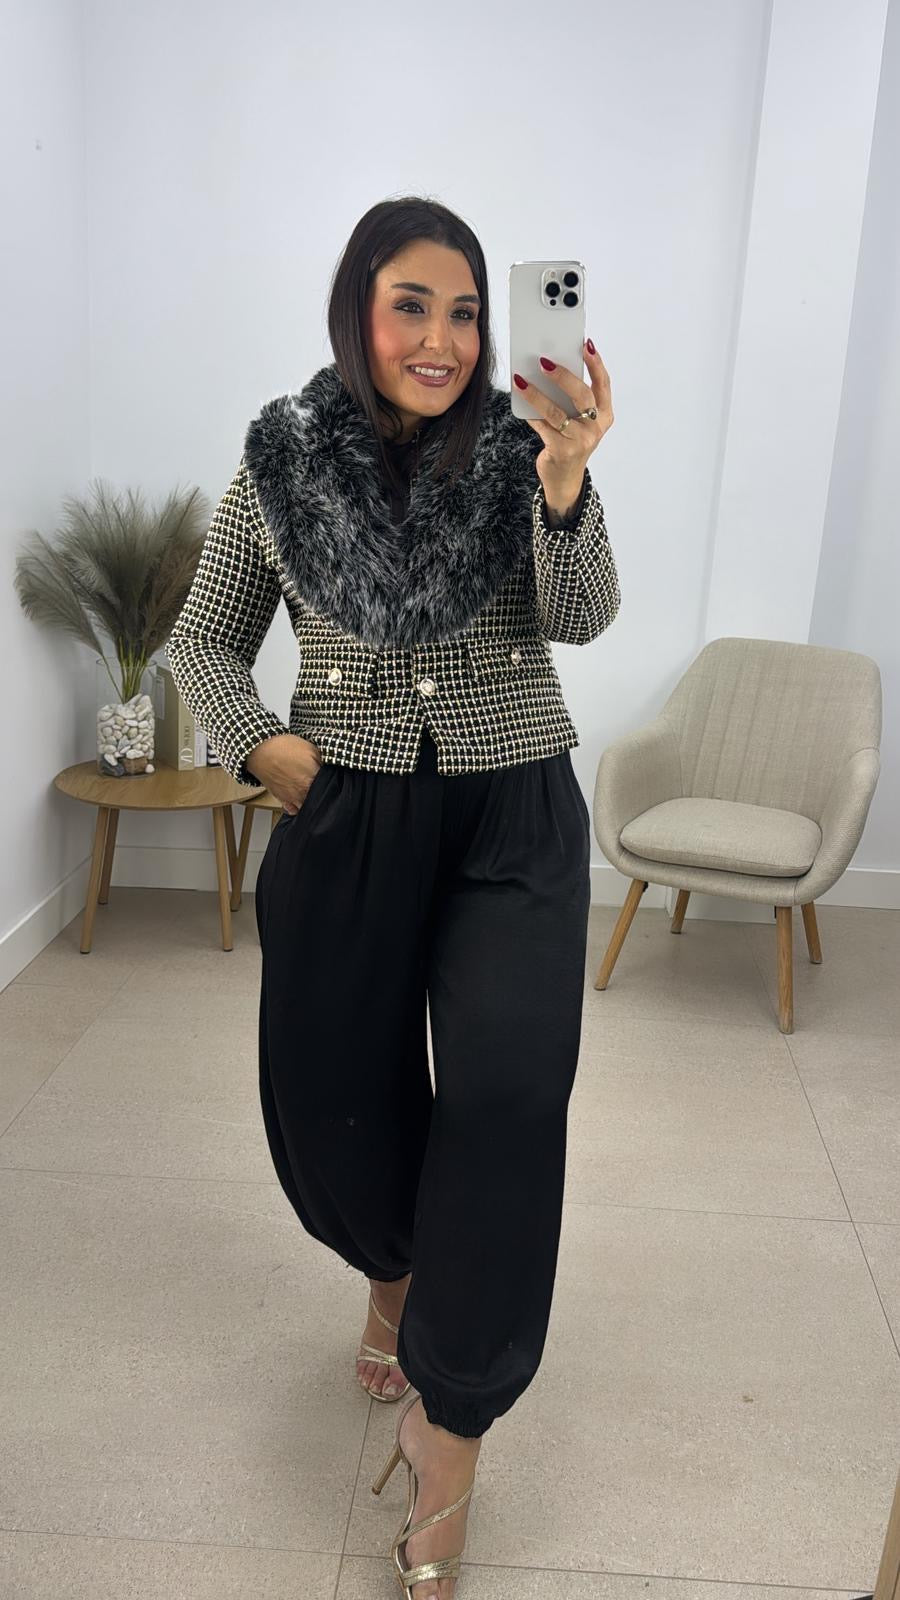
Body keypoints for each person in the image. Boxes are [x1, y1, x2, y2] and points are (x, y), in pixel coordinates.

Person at [166, 195, 619, 1600]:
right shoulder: (282, 462)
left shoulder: (525, 447)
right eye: (411, 304)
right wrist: (270, 752)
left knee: (507, 1094)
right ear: (357, 308)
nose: (443, 338)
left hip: (511, 809)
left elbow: (583, 615)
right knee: (337, 1099)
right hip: (350, 811)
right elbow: (203, 643)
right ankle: (395, 1270)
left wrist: (566, 480)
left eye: (466, 311)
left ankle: (450, 1424)